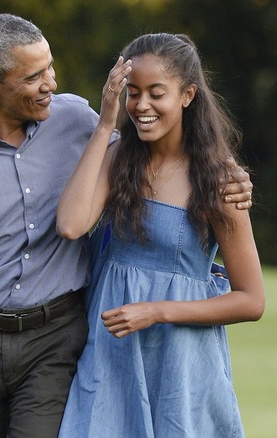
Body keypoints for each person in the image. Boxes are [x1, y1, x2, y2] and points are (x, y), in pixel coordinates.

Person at [0, 14, 254, 438]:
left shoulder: (75, 119)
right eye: (34, 76)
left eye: (50, 67)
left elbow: (161, 165)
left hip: (56, 340)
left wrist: (227, 174)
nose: (51, 84)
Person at [56, 33, 265, 437]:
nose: (141, 106)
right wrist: (104, 125)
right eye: (133, 93)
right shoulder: (118, 157)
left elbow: (251, 300)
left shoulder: (219, 181)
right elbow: (71, 223)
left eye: (156, 93)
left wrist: (156, 310)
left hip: (181, 366)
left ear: (187, 95)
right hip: (110, 356)